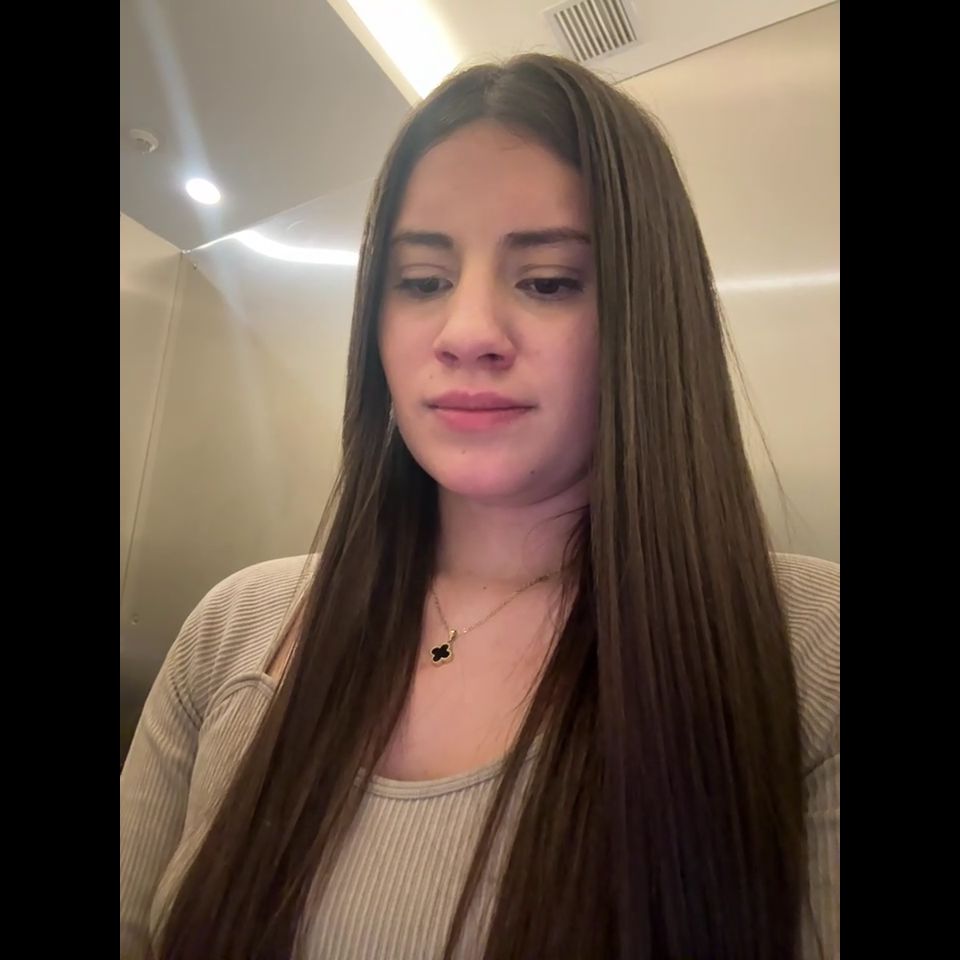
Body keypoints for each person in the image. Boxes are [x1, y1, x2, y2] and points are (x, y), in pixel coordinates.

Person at [120, 53, 839, 960]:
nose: (466, 334)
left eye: (548, 281)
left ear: (646, 316)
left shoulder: (811, 655)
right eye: (422, 282)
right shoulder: (235, 629)